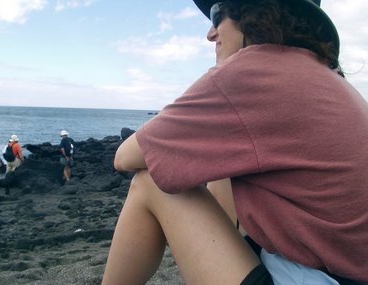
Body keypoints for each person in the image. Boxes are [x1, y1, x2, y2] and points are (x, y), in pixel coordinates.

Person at [102, 0, 368, 284]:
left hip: (318, 277)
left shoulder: (255, 70)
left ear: (256, 15)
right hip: (342, 270)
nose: (210, 34)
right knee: (225, 166)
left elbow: (125, 157)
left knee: (150, 183)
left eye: (218, 15)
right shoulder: (327, 76)